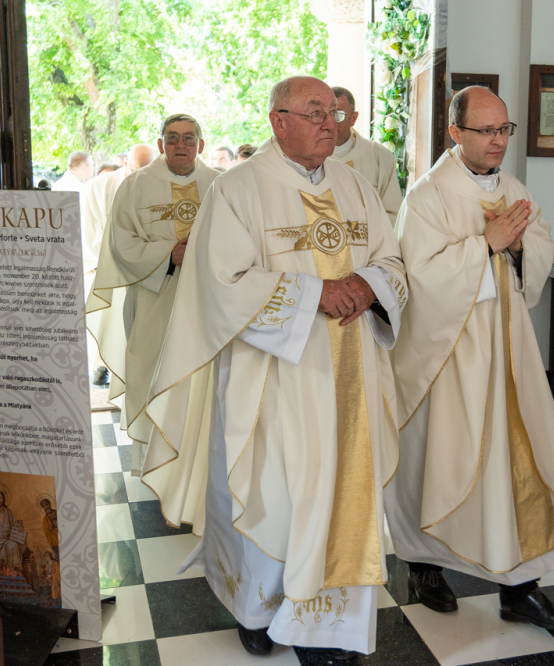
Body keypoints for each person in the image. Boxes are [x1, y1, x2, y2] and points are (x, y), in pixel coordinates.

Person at [144, 76, 408, 659]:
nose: (329, 122)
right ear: (278, 121)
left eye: (333, 112)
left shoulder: (356, 186)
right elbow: (221, 283)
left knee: (340, 489)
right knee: (275, 491)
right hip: (274, 377)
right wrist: (315, 293)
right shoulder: (238, 190)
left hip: (353, 375)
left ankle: (328, 619)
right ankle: (257, 607)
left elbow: (392, 259)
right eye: (315, 112)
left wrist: (369, 284)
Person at [386, 86, 554, 630]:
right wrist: (486, 244)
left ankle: (521, 588)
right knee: (439, 459)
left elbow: (539, 246)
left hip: (510, 352)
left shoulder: (513, 187)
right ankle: (424, 566)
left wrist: (519, 247)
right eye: (486, 131)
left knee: (522, 458)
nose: (498, 141)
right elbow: (418, 277)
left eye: (504, 130)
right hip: (448, 356)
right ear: (456, 132)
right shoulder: (428, 196)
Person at [85, 115, 219, 472]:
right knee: (153, 372)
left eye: (189, 138)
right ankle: (155, 465)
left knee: (203, 379)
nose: (181, 145)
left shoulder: (221, 184)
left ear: (201, 144)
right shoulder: (136, 185)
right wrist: (169, 254)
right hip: (153, 299)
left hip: (209, 301)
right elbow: (121, 242)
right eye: (172, 138)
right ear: (161, 144)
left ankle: (199, 467)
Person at [81, 145, 157, 386]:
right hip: (108, 265)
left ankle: (138, 371)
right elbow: (89, 231)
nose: (142, 174)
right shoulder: (99, 187)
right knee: (109, 322)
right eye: (137, 169)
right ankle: (103, 365)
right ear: (126, 164)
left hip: (145, 267)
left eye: (148, 169)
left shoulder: (157, 184)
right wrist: (110, 260)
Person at [329, 86, 403, 225]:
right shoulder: (305, 156)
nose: (330, 122)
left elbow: (393, 215)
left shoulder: (380, 156)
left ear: (353, 118)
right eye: (324, 114)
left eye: (338, 114)